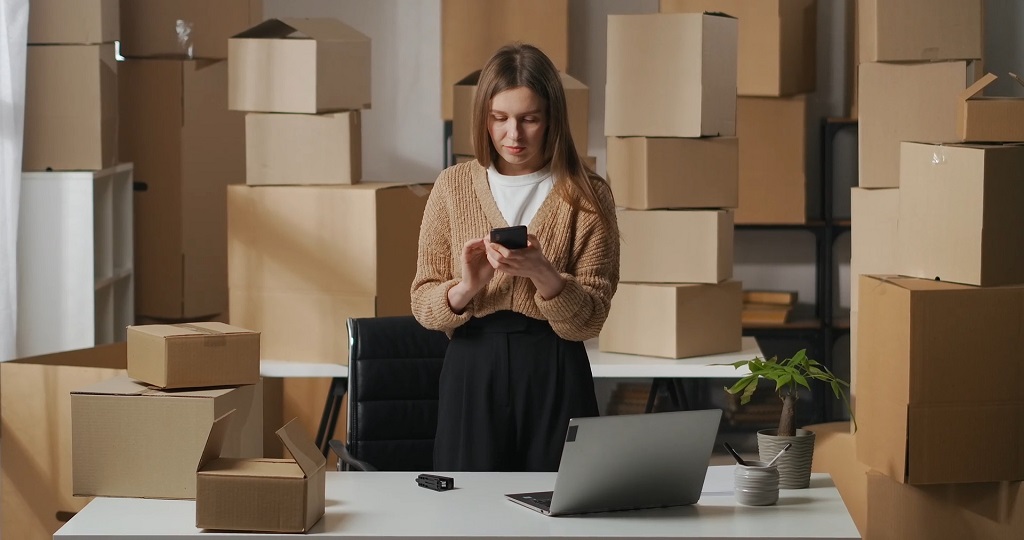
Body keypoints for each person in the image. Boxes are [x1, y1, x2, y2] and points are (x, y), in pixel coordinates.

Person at [411, 43, 620, 473]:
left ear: (552, 118)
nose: (514, 135)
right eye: (499, 119)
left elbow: (592, 319)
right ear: (483, 118)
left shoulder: (588, 193)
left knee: (559, 505)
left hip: (556, 365)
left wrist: (546, 277)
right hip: (473, 363)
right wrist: (467, 287)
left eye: (529, 119)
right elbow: (423, 304)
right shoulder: (453, 187)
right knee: (466, 509)